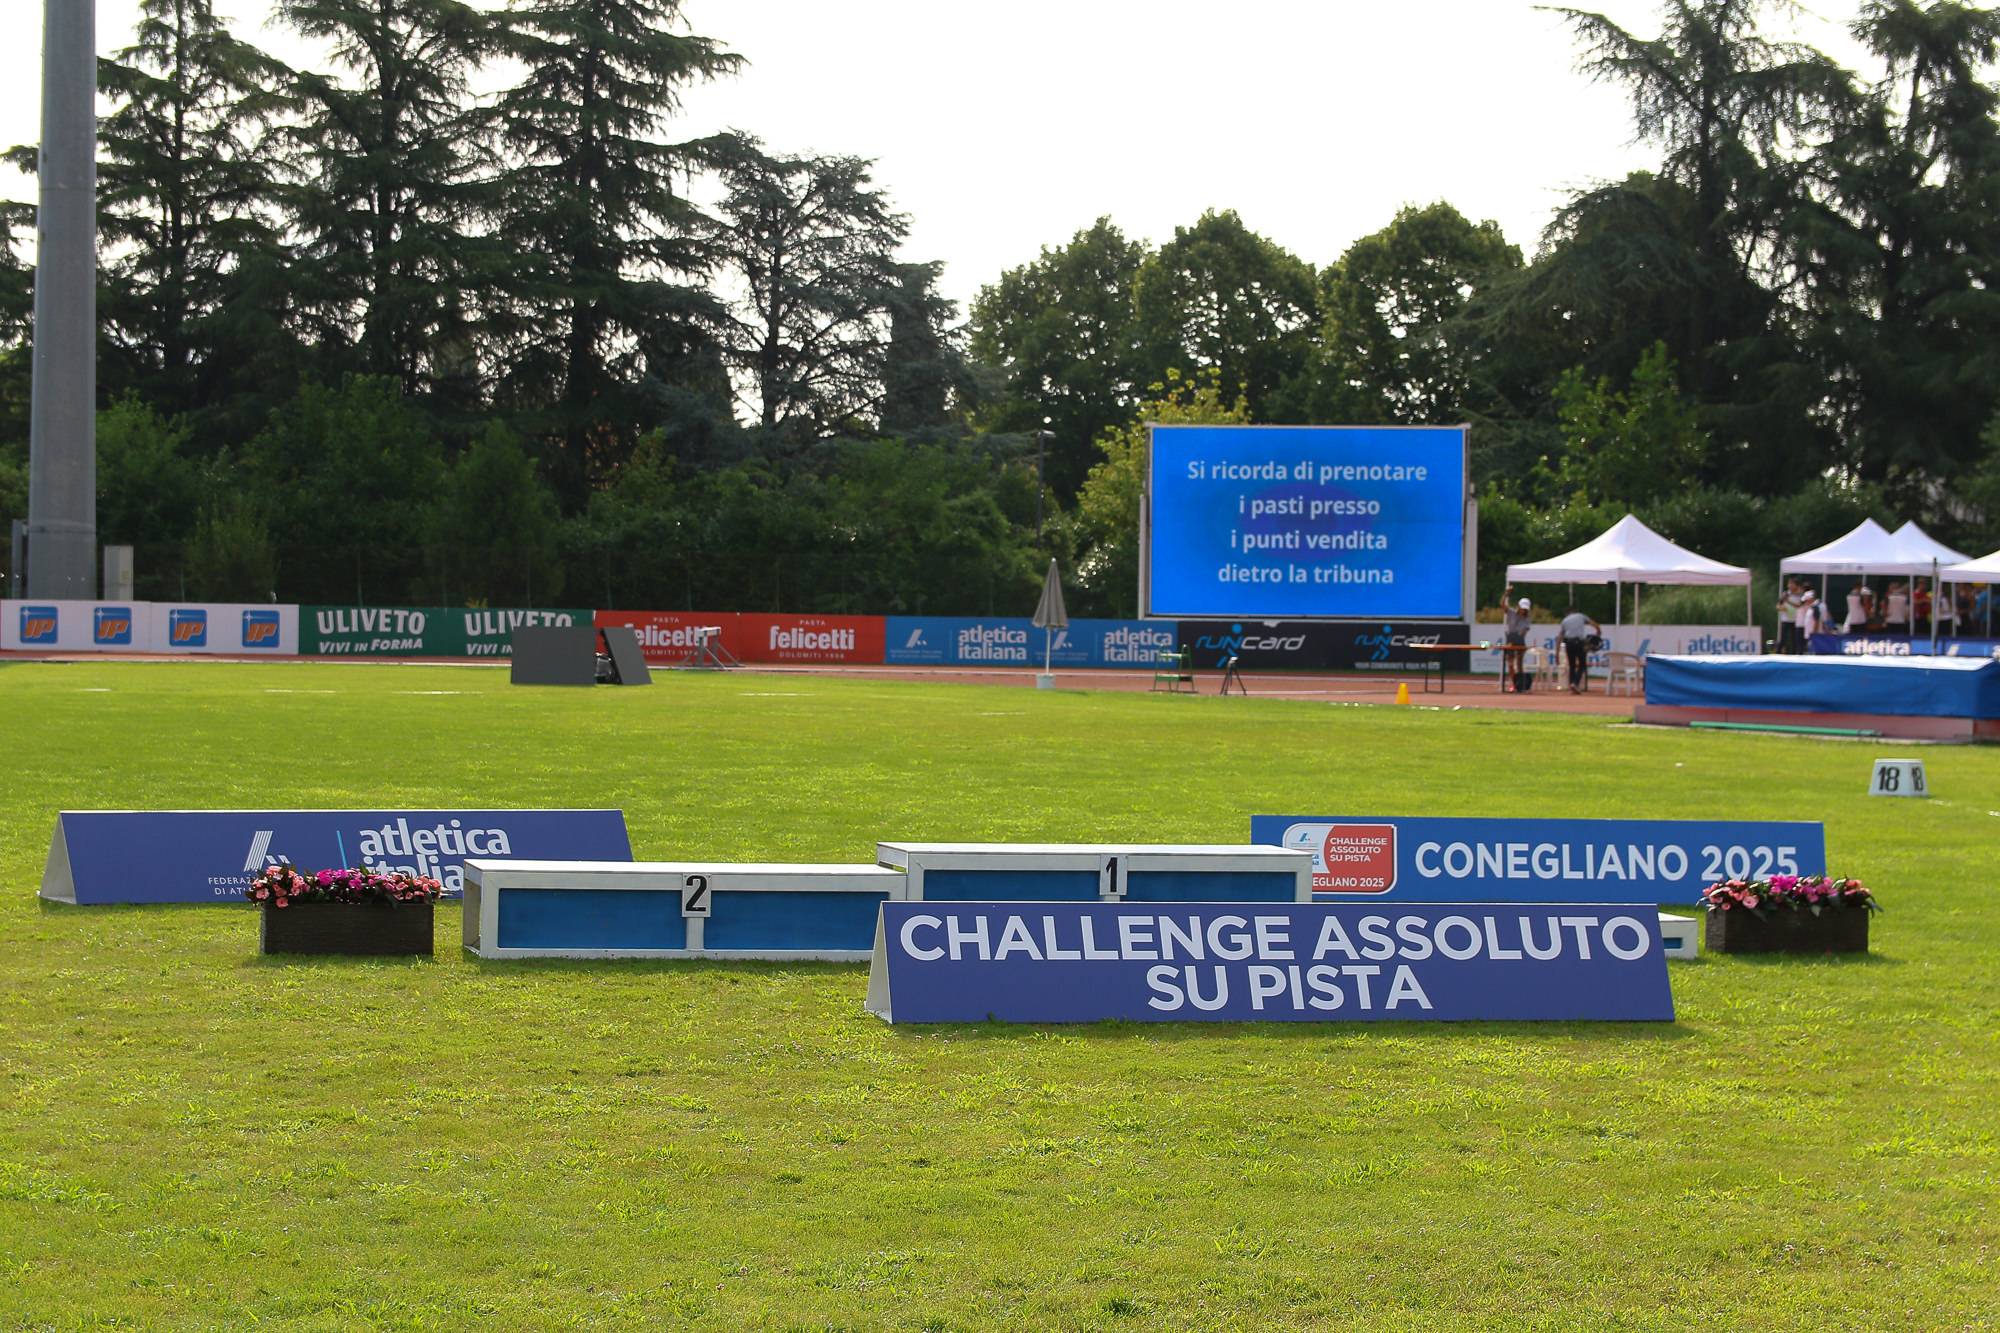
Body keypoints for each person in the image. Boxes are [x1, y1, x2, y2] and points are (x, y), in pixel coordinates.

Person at [1558, 605, 1600, 694]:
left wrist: (1556, 653)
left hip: (1568, 643)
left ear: (1566, 613)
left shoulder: (1564, 621)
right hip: (1578, 642)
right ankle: (1575, 683)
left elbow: (1560, 637)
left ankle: (1572, 685)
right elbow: (1593, 623)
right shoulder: (1580, 616)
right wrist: (1598, 631)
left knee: (1572, 665)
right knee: (1582, 664)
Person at [1502, 590, 1534, 693]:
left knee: (1519, 664)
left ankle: (1520, 684)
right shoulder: (1511, 613)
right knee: (1510, 663)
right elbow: (1503, 605)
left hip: (1520, 641)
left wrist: (1520, 636)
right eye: (1522, 609)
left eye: (1525, 609)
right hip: (1510, 639)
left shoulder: (1527, 619)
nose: (1523, 611)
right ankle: (1514, 684)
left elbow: (1525, 631)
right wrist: (1506, 594)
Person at [1778, 579, 1802, 653]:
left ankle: (1793, 653)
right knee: (1783, 637)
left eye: (1792, 584)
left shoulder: (1799, 596)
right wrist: (1782, 608)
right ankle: (1778, 652)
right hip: (1785, 619)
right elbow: (1778, 605)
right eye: (1790, 583)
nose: (1790, 585)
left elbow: (1799, 605)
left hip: (1795, 620)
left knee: (1794, 639)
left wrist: (1788, 601)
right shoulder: (1785, 594)